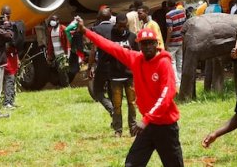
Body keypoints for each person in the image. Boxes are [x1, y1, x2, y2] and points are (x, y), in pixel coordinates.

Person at [78, 20, 184, 166]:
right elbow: (110, 46)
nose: (147, 47)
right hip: (148, 125)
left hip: (165, 126)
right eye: (144, 43)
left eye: (150, 43)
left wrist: (145, 120)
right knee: (132, 164)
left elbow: (166, 96)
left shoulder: (163, 63)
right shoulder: (135, 59)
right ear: (139, 45)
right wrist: (85, 31)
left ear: (156, 44)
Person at [108, 13, 139, 137]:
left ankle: (133, 128)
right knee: (117, 105)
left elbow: (138, 55)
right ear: (116, 25)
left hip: (129, 75)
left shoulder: (132, 37)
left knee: (132, 103)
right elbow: (106, 55)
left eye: (125, 26)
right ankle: (118, 130)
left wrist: (129, 51)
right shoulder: (110, 37)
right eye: (120, 26)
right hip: (115, 76)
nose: (123, 29)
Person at [87, 7, 115, 117]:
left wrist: (90, 66)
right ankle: (117, 117)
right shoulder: (116, 28)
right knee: (112, 92)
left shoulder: (96, 30)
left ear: (99, 17)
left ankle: (111, 109)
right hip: (115, 65)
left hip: (103, 65)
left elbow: (93, 50)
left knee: (97, 91)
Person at [0, 5, 19, 110]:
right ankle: (7, 103)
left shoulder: (12, 25)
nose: (6, 17)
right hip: (6, 57)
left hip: (13, 56)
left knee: (12, 79)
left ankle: (11, 101)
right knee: (9, 79)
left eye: (8, 15)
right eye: (5, 15)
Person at [165, 0, 187, 83]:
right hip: (181, 39)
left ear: (168, 5)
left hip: (173, 42)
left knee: (172, 62)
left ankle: (176, 82)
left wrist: (167, 42)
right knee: (180, 61)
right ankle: (181, 80)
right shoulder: (182, 12)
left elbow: (170, 29)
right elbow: (185, 24)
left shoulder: (168, 15)